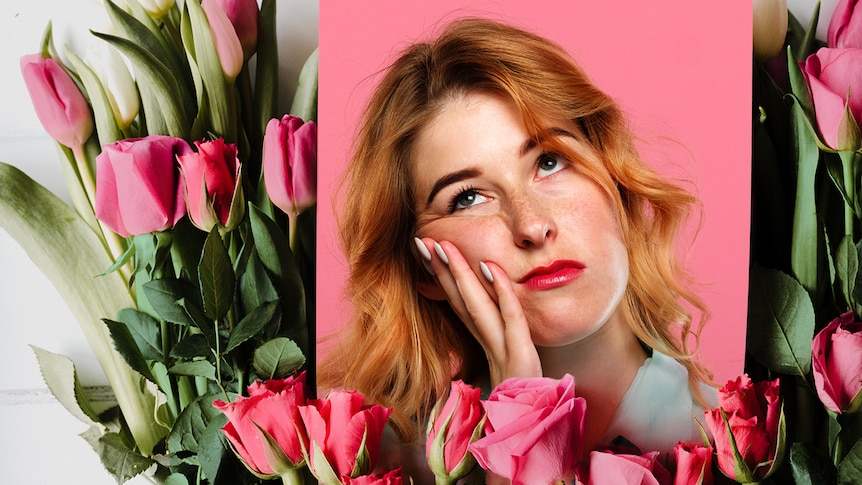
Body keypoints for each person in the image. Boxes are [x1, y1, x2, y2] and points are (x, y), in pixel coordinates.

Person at [319, 16, 715, 467]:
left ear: (616, 184)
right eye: (467, 198)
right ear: (422, 266)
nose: (531, 225)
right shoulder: (387, 463)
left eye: (550, 161)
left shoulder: (738, 442)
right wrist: (517, 423)